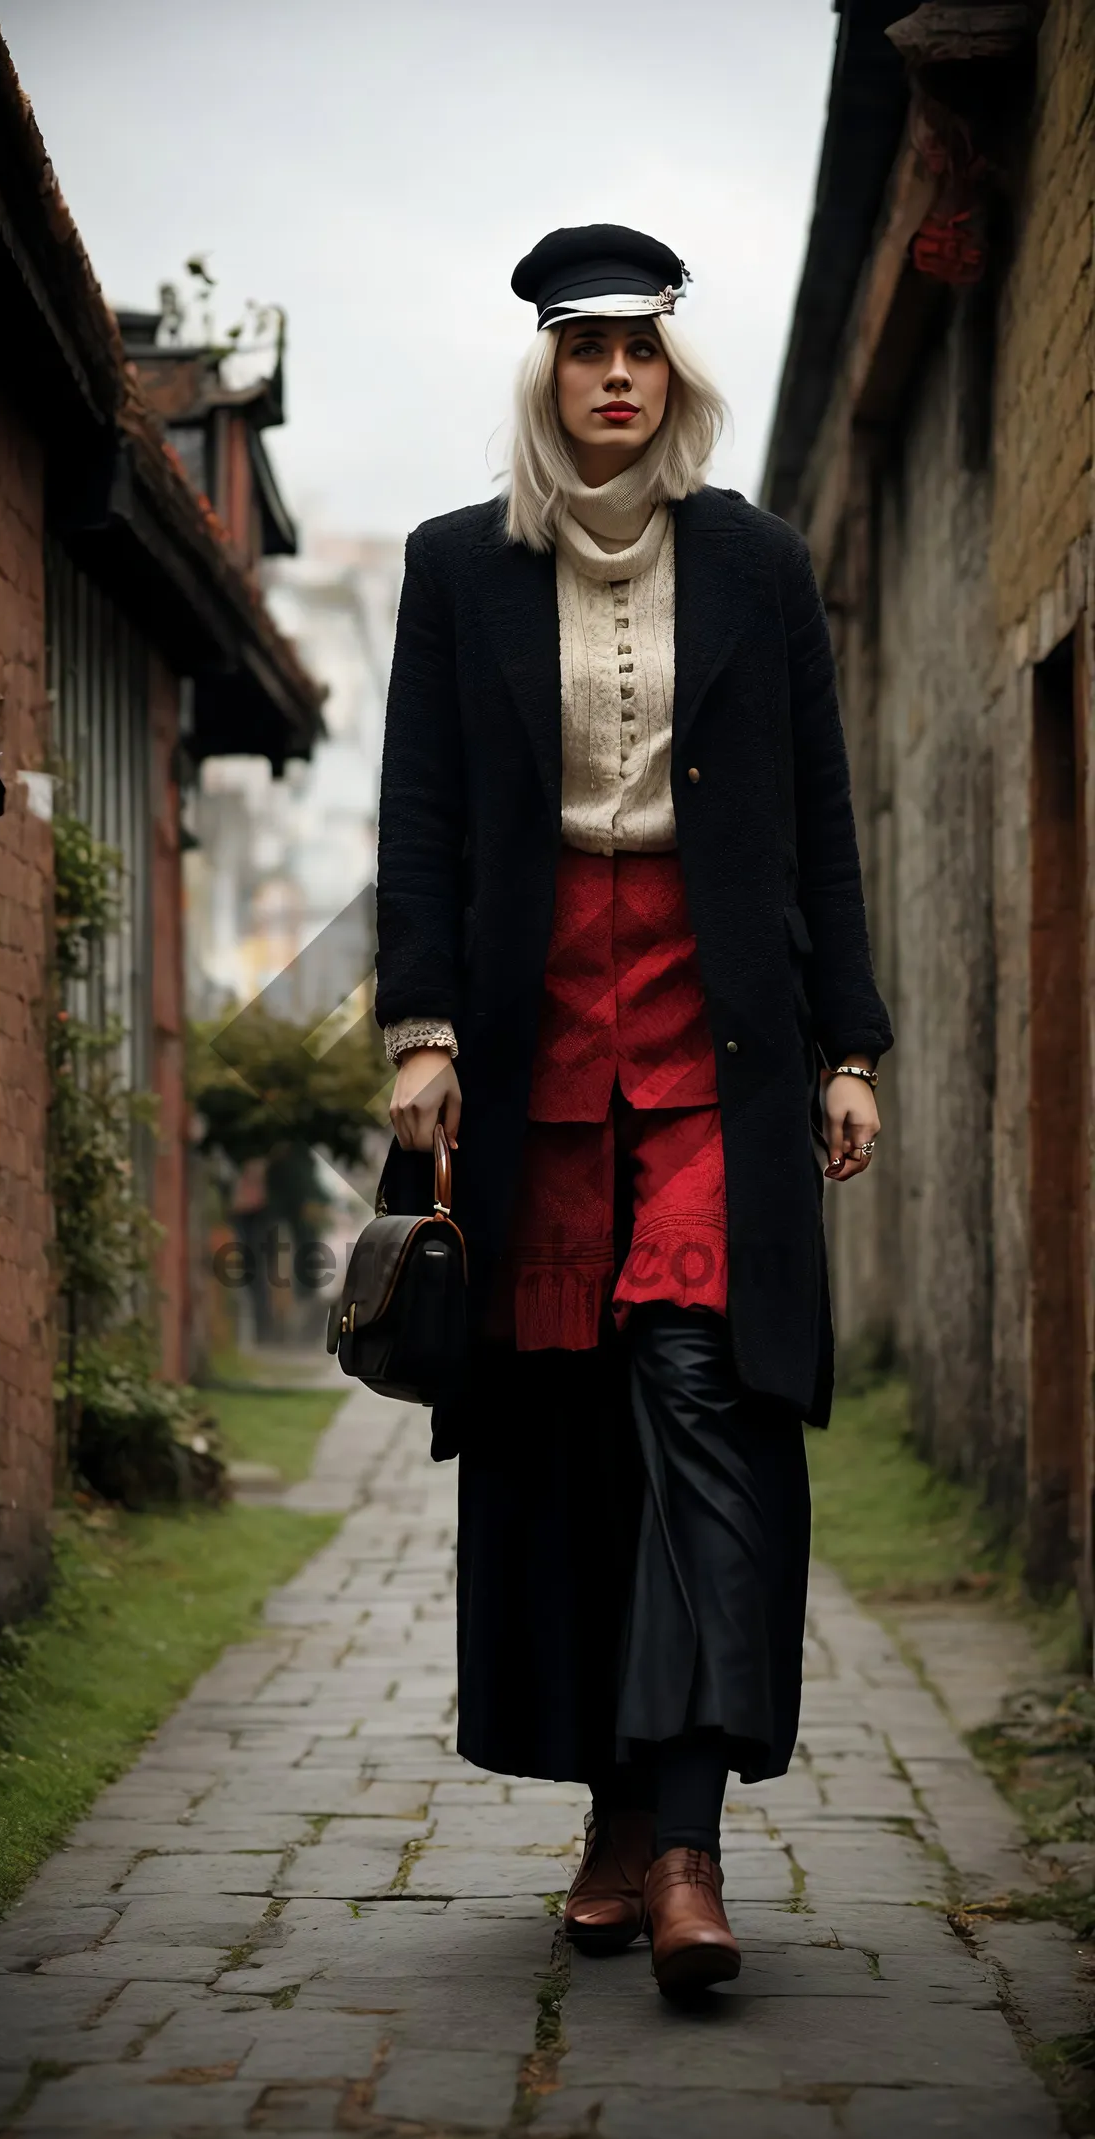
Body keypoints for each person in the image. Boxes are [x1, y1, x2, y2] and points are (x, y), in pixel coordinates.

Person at [374, 224, 891, 2003]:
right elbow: (422, 815)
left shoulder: (755, 563)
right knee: (572, 1445)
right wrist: (423, 1026)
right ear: (545, 374)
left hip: (714, 1040)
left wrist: (850, 1045)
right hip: (532, 1058)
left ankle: (684, 1843)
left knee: (705, 1403)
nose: (614, 374)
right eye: (584, 348)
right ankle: (609, 1820)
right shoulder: (457, 569)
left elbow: (819, 817)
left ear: (674, 377)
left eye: (641, 351)